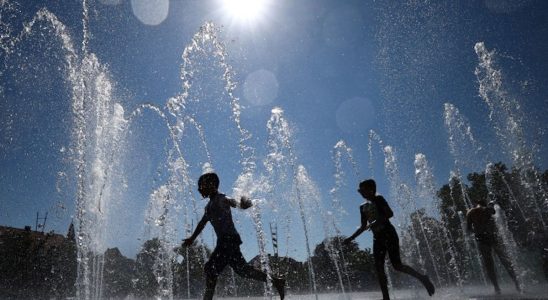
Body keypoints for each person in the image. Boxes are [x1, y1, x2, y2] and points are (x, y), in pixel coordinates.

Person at [183, 172, 285, 300]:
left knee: (210, 269)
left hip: (228, 240)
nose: (200, 188)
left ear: (212, 185)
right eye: (199, 186)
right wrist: (192, 238)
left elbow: (235, 203)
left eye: (202, 185)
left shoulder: (222, 198)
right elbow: (202, 223)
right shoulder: (209, 206)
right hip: (225, 241)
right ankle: (276, 281)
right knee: (242, 270)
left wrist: (243, 204)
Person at [344, 179, 435, 300]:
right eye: (359, 190)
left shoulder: (379, 199)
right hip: (377, 238)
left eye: (362, 190)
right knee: (379, 268)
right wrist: (351, 238)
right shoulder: (362, 207)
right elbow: (363, 226)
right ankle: (385, 297)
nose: (360, 192)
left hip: (389, 234)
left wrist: (374, 222)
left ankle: (423, 278)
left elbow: (390, 214)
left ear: (371, 189)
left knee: (397, 265)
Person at [466, 198, 521, 294]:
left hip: (481, 239)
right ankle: (517, 284)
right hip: (492, 238)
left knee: (489, 265)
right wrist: (490, 205)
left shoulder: (470, 212)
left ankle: (497, 288)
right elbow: (493, 211)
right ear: (483, 203)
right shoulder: (486, 209)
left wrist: (477, 231)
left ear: (475, 204)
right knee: (505, 261)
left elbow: (469, 229)